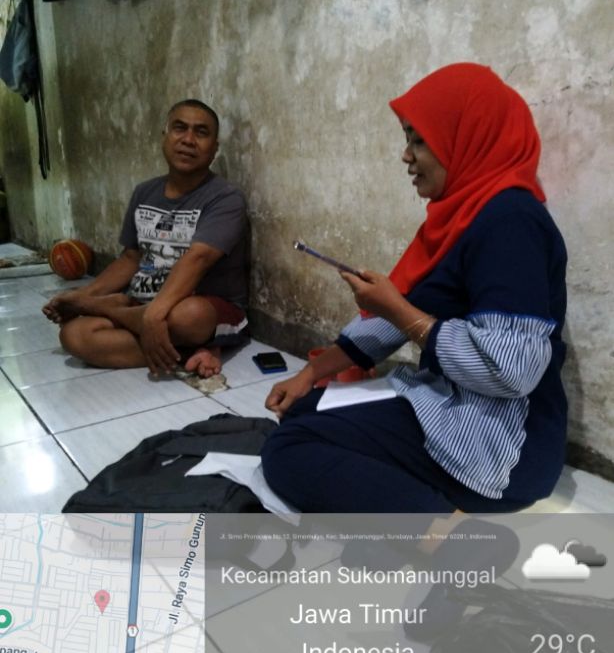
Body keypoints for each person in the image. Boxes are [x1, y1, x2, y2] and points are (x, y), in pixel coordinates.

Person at [261, 63, 568, 513]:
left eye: (419, 140)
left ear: (466, 138)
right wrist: (311, 373)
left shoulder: (510, 223)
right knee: (305, 411)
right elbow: (404, 310)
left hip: (501, 442)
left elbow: (509, 370)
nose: (406, 156)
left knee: (289, 449)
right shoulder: (464, 214)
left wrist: (400, 311)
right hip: (458, 405)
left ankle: (442, 531)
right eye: (408, 139)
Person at [43, 99, 248, 378]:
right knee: (74, 336)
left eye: (201, 133)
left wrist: (153, 314)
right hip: (142, 304)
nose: (188, 140)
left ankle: (125, 315)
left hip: (201, 308)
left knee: (187, 317)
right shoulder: (144, 192)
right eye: (180, 128)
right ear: (165, 136)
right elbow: (131, 258)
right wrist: (84, 294)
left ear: (214, 148)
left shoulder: (225, 198)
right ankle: (186, 349)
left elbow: (198, 259)